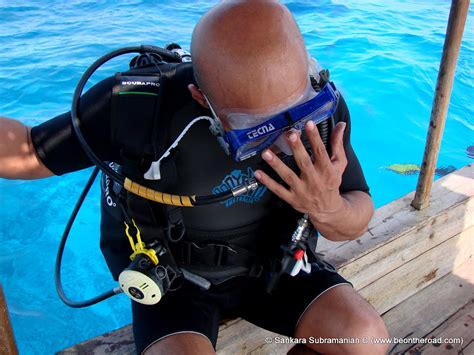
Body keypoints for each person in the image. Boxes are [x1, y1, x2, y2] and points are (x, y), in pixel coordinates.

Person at [0, 1, 390, 354]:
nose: (287, 139)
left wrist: (328, 207)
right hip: (174, 280)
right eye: (256, 130)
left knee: (365, 339)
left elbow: (354, 219)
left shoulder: (324, 113)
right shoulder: (139, 109)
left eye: (299, 111)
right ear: (202, 99)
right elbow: (30, 151)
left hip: (275, 265)